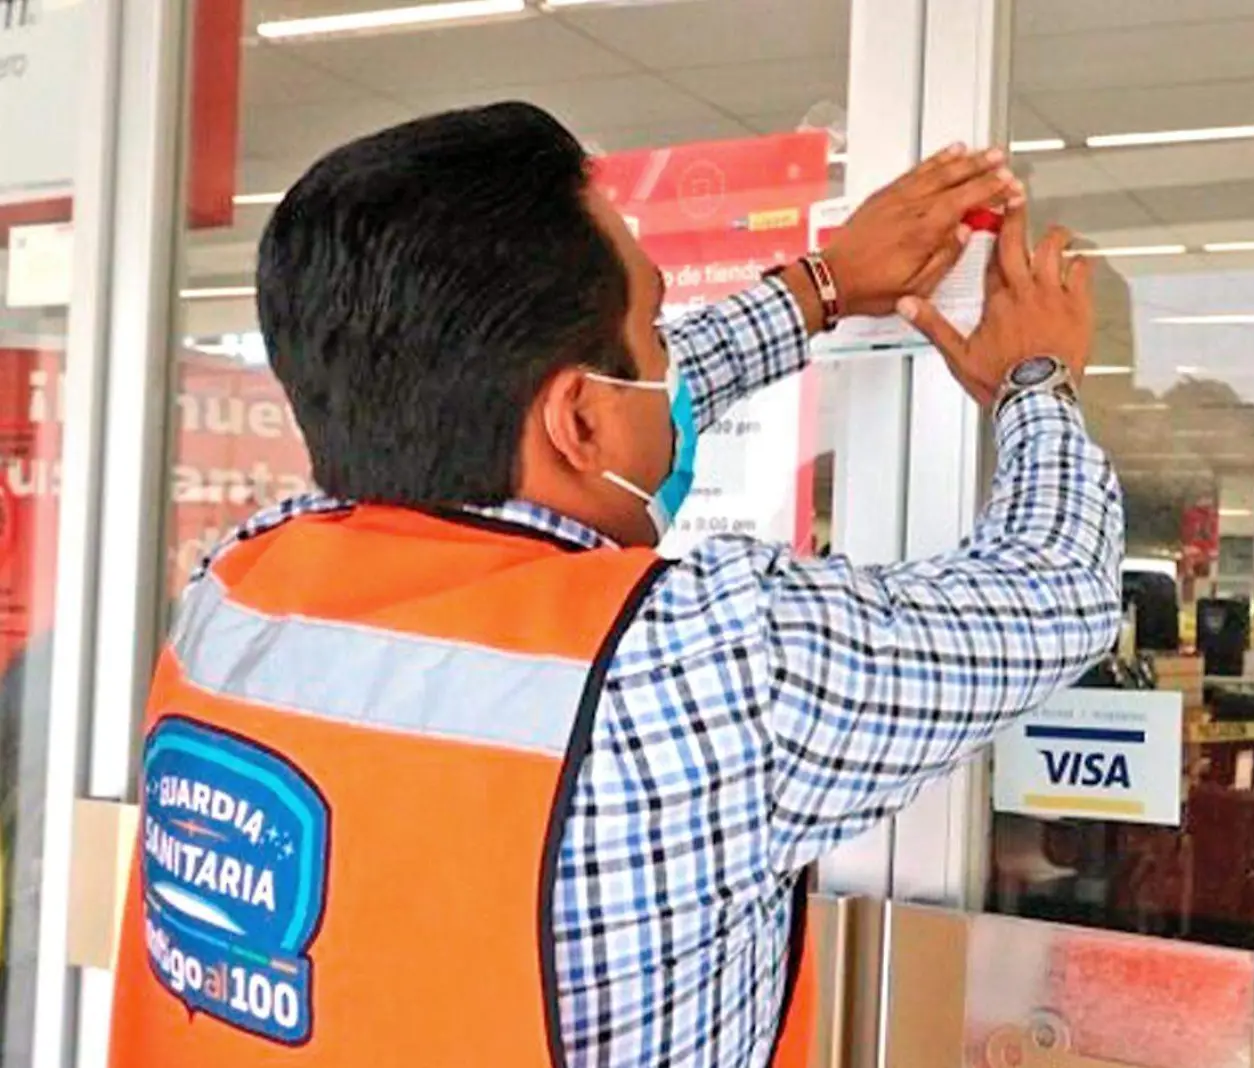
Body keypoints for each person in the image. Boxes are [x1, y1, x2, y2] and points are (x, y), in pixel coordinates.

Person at [108, 102, 1121, 1068]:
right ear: (580, 421)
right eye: (652, 321)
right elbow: (1054, 590)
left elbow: (615, 404)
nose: (663, 359)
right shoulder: (696, 668)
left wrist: (819, 288)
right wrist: (1033, 384)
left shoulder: (236, 599)